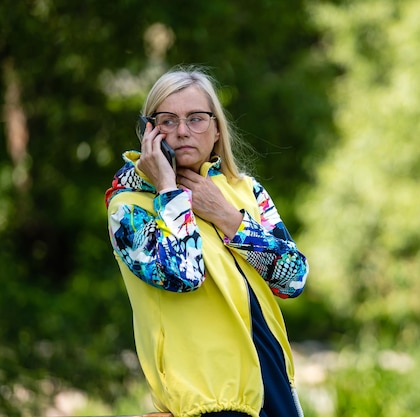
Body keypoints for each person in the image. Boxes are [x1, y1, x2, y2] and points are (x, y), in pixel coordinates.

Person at [105, 66, 309, 417]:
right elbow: (183, 275)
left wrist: (228, 217)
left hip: (273, 387)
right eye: (167, 120)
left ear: (217, 129)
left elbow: (293, 279)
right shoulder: (127, 208)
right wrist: (170, 193)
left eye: (196, 118)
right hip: (206, 401)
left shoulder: (246, 191)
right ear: (148, 131)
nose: (183, 131)